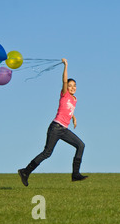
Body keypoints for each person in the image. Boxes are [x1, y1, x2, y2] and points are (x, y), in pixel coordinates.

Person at [18, 58, 88, 186]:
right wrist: (65, 66)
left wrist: (73, 117)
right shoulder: (65, 94)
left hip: (64, 130)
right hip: (55, 128)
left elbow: (67, 109)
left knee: (81, 145)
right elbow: (64, 80)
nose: (72, 87)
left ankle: (75, 174)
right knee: (47, 153)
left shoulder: (74, 99)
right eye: (70, 85)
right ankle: (25, 171)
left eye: (74, 86)